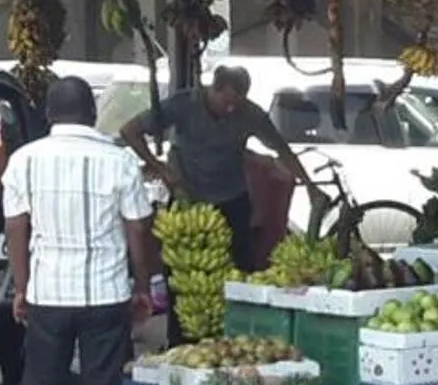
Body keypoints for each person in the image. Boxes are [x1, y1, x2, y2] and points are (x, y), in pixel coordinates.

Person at [4, 76, 159, 385]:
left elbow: (16, 227)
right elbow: (137, 229)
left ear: (49, 114)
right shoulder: (119, 161)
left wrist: (22, 287)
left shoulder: (24, 160)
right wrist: (141, 286)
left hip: (48, 292)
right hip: (105, 293)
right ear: (92, 114)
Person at [123, 64, 309, 273]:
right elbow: (129, 130)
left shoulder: (250, 114)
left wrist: (310, 186)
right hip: (188, 196)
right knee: (182, 264)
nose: (231, 109)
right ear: (213, 89)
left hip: (233, 198)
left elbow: (282, 150)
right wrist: (160, 168)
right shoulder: (184, 104)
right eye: (226, 102)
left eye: (237, 104)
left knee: (240, 263)